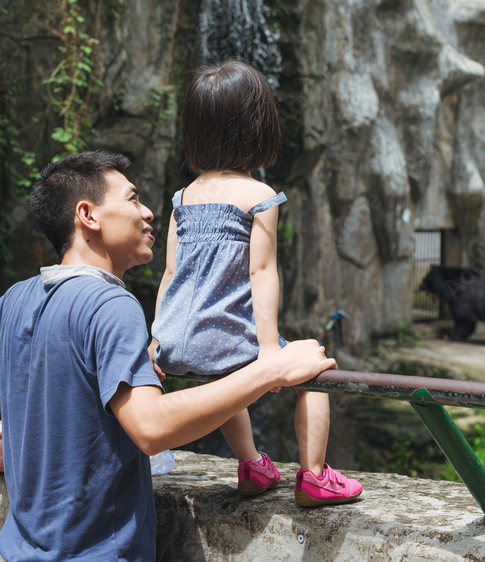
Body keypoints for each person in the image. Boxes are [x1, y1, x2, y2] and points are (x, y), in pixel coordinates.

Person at [0, 150, 335, 561]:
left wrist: (34, 425)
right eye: (132, 199)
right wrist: (268, 369)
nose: (149, 212)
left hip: (21, 550)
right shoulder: (111, 305)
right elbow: (151, 429)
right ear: (89, 216)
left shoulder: (17, 298)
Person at [148, 59, 363, 507]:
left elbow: (170, 274)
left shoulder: (181, 198)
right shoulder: (259, 196)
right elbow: (261, 273)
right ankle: (315, 477)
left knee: (231, 380)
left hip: (174, 344)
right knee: (315, 368)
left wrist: (155, 339)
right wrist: (270, 353)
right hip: (225, 341)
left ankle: (253, 466)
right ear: (256, 126)